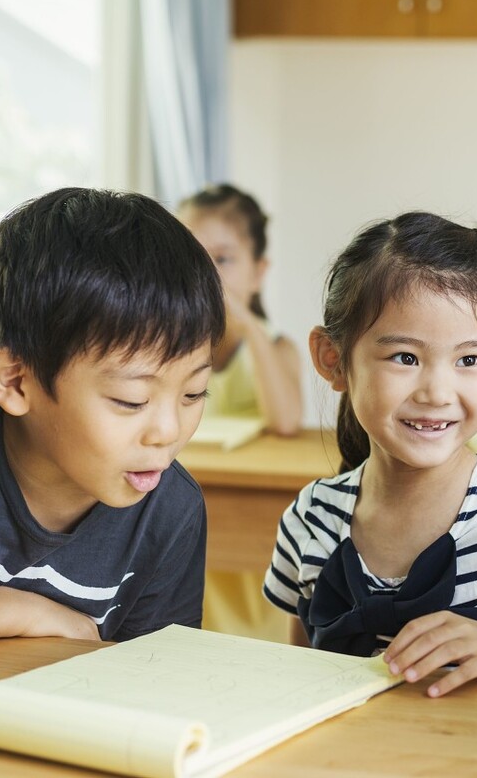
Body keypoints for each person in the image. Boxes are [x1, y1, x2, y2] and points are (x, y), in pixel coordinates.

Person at [0, 187, 226, 668]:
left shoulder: (171, 511)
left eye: (193, 394)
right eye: (130, 400)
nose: (168, 431)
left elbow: (154, 688)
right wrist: (17, 611)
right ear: (14, 379)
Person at [262, 211, 477, 697]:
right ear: (333, 361)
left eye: (469, 360)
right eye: (406, 357)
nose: (438, 392)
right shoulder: (311, 518)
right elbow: (293, 680)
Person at [178, 183, 303, 643]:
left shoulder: (276, 347)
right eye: (192, 256)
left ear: (258, 271)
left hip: (251, 555)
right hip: (188, 509)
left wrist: (246, 322)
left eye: (223, 259)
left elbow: (286, 421)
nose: (206, 273)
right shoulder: (167, 351)